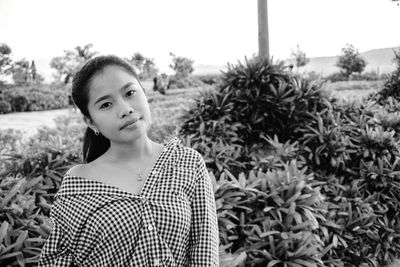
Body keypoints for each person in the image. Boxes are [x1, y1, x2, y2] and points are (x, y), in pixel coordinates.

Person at [38, 55, 219, 266]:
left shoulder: (186, 162)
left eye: (130, 93)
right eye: (106, 105)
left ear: (144, 93)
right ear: (90, 121)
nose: (125, 109)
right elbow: (57, 259)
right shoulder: (78, 184)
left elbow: (204, 251)